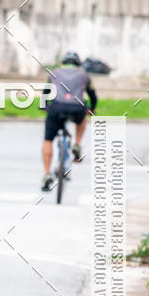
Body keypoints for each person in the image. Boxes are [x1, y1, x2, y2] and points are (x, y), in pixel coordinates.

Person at [41, 51, 97, 191]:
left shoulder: (54, 72)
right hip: (77, 108)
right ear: (78, 64)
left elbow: (45, 93)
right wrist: (92, 109)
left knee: (48, 140)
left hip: (57, 107)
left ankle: (47, 173)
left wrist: (44, 107)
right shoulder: (84, 75)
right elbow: (93, 96)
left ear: (63, 63)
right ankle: (77, 144)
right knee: (82, 118)